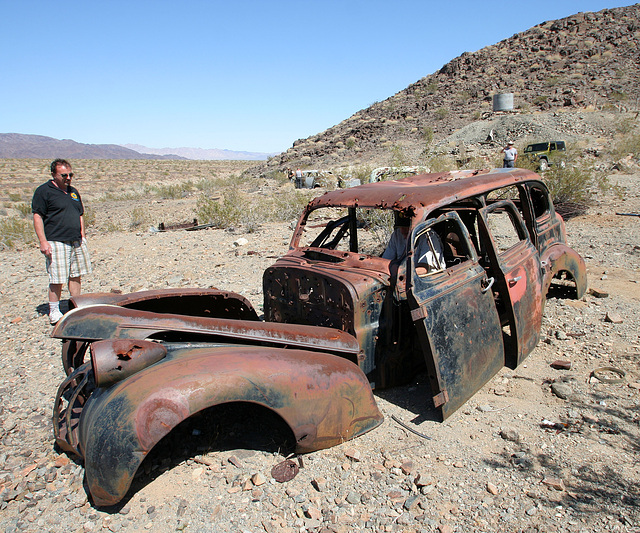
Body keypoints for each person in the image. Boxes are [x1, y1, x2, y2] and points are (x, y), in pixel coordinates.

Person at [32, 159, 92, 324]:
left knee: (76, 275)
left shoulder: (73, 192)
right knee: (57, 277)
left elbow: (79, 214)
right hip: (56, 240)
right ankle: (54, 310)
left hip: (76, 240)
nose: (68, 178)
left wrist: (83, 234)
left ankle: (76, 307)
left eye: (70, 175)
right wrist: (43, 241)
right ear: (53, 174)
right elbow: (37, 216)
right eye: (64, 175)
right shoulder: (44, 191)